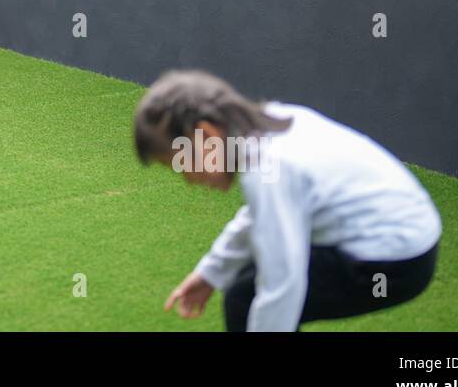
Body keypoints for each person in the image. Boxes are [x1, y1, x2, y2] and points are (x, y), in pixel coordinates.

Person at [134, 69, 441, 331]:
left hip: (396, 262)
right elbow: (258, 218)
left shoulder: (270, 167)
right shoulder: (274, 121)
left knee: (246, 297)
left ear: (206, 135)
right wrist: (211, 272)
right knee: (248, 284)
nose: (187, 179)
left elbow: (283, 282)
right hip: (413, 239)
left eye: (179, 162)